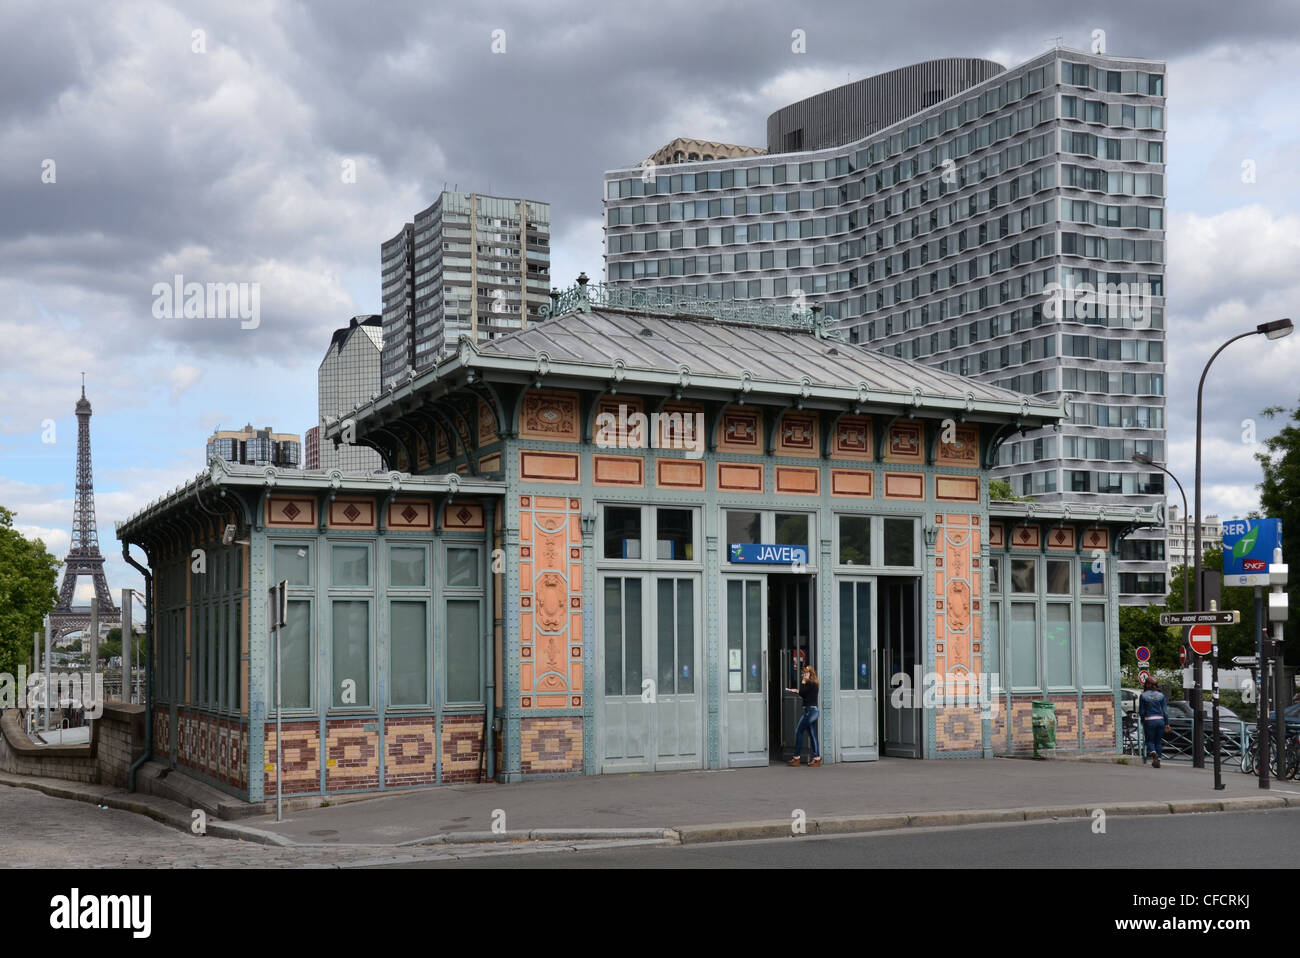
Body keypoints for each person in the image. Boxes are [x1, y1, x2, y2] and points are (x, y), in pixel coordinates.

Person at [786, 665, 821, 767]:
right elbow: (804, 694)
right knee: (812, 734)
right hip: (811, 711)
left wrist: (803, 682)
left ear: (811, 674)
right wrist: (796, 691)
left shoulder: (810, 683)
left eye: (806, 673)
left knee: (798, 731)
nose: (804, 675)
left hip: (810, 712)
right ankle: (817, 758)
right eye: (803, 673)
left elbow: (802, 691)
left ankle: (796, 758)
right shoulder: (813, 683)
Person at [1138, 676, 1170, 768]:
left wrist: (1142, 720)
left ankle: (1154, 753)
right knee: (1158, 742)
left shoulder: (1143, 695)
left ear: (1147, 684)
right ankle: (1158, 760)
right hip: (1160, 720)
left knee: (1150, 740)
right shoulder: (1161, 696)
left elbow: (1142, 711)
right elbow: (1165, 712)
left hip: (1149, 720)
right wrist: (1167, 723)